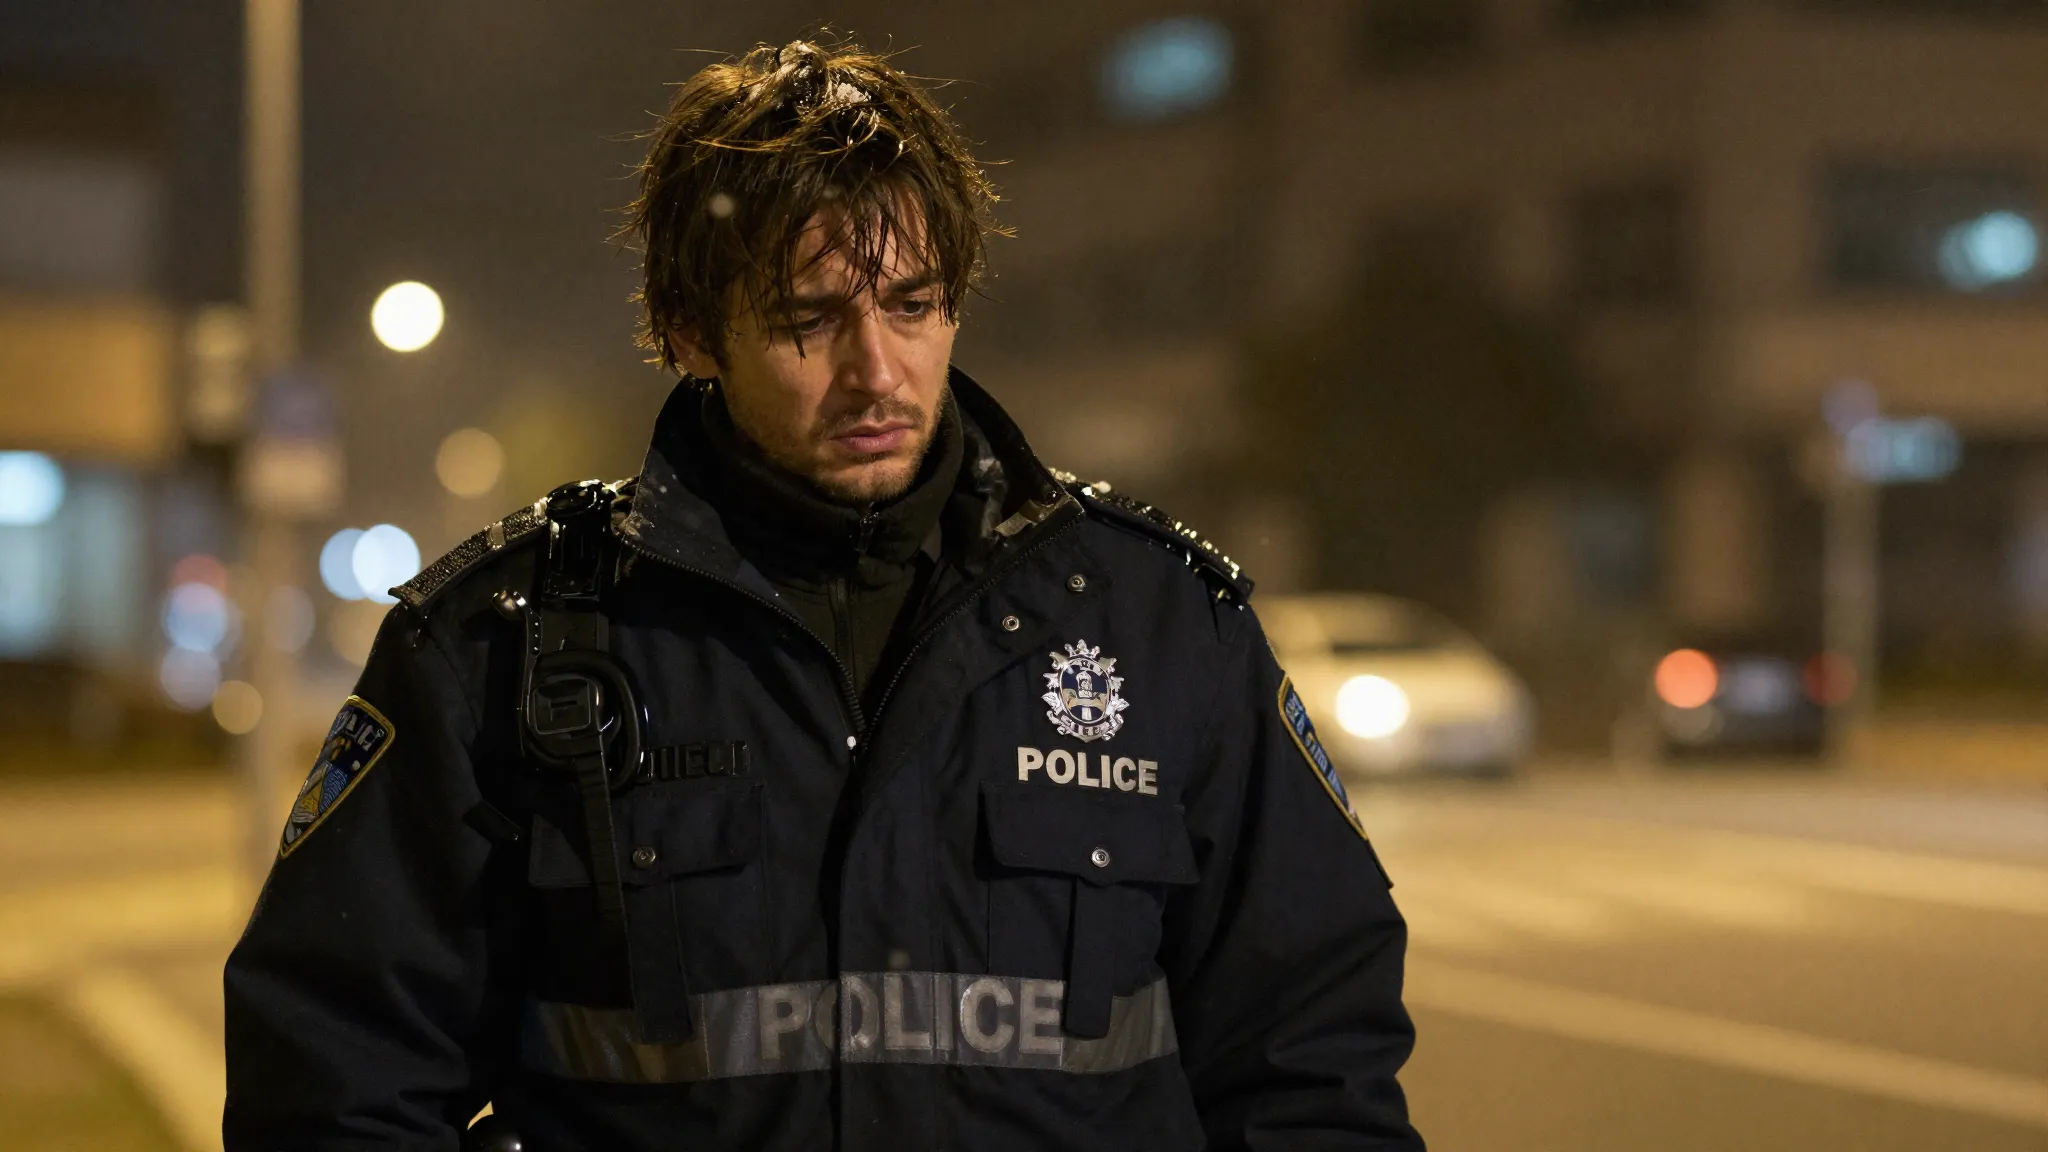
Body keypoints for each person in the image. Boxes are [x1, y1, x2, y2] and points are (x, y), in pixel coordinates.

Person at [224, 38, 1423, 1152]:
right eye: (808, 319)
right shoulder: (498, 648)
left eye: (911, 305)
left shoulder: (1158, 625)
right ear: (691, 332)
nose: (875, 371)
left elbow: (1313, 1067)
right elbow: (331, 1086)